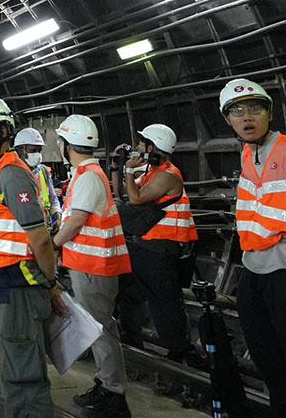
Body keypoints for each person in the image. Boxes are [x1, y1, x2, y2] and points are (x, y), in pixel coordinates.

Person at [0, 94, 65, 418]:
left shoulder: (11, 173)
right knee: (8, 373)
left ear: (3, 131)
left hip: (14, 286)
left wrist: (52, 283)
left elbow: (40, 238)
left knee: (22, 378)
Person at [51, 115, 131, 418]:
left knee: (100, 329)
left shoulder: (87, 176)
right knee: (99, 327)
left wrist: (53, 245)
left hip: (95, 266)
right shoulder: (86, 173)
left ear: (67, 145)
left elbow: (75, 222)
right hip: (90, 264)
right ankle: (106, 384)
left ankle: (113, 394)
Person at [223, 78, 286, 413]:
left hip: (282, 268)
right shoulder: (249, 154)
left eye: (255, 109)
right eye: (237, 111)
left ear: (270, 114)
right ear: (228, 120)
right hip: (254, 266)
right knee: (267, 358)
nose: (247, 117)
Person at [117, 122, 199, 363]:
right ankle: (133, 341)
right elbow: (124, 193)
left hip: (160, 251)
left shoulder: (168, 175)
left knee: (165, 304)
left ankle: (179, 355)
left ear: (153, 147)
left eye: (142, 143)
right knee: (130, 295)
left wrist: (129, 170)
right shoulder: (152, 172)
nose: (138, 147)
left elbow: (136, 198)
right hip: (144, 247)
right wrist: (119, 167)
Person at [14, 128, 61, 230]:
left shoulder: (43, 171)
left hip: (44, 230)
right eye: (33, 151)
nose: (38, 155)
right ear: (20, 150)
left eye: (39, 150)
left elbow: (53, 199)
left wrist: (57, 214)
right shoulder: (12, 175)